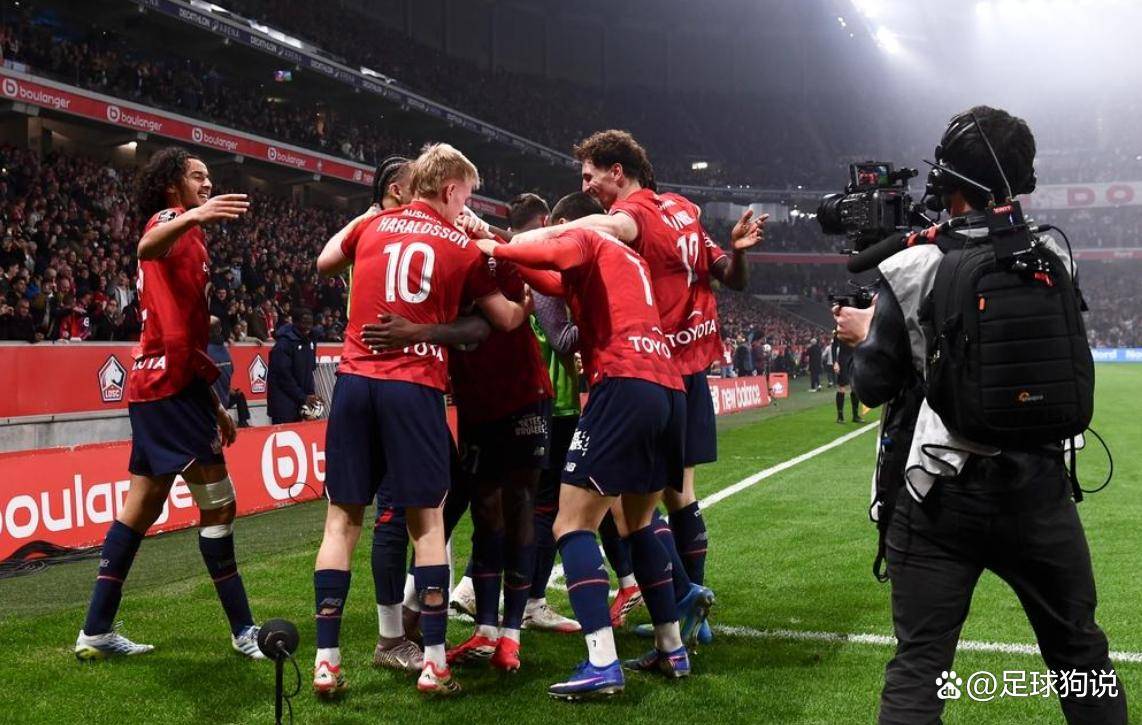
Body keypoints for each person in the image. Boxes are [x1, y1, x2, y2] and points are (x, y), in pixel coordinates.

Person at [835, 105, 1127, 725]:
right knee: (1080, 654)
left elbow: (872, 387)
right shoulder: (1053, 251)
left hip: (941, 494)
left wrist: (864, 334)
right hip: (1041, 489)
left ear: (948, 180)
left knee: (920, 666)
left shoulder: (913, 263)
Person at [513, 129, 765, 643]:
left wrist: (535, 237)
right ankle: (683, 614)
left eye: (591, 176)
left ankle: (671, 610)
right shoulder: (684, 211)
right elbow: (729, 274)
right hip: (681, 367)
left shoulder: (633, 217)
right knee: (667, 497)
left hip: (644, 367)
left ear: (617, 172)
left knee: (606, 509)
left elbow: (603, 232)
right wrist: (737, 252)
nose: (587, 186)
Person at [311, 143, 529, 697]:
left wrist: (371, 216)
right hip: (413, 386)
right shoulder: (461, 246)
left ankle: (326, 662)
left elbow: (325, 262)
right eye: (466, 196)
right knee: (427, 523)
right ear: (451, 189)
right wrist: (527, 299)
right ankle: (434, 663)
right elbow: (503, 320)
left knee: (341, 522)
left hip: (353, 383)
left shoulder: (371, 226)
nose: (466, 206)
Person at [474, 191, 695, 700]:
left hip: (622, 383)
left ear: (567, 223)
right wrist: (504, 246)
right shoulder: (628, 259)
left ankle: (601, 662)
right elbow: (551, 279)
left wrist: (495, 248)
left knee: (571, 524)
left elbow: (552, 252)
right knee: (638, 523)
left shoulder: (586, 238)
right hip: (668, 389)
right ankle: (671, 647)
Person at [73, 147, 263, 660]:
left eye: (209, 177)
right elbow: (146, 246)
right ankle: (243, 629)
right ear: (172, 186)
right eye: (197, 176)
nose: (207, 184)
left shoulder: (189, 233)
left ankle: (95, 630)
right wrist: (193, 215)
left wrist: (215, 405)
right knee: (219, 504)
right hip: (169, 387)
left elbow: (182, 331)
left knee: (142, 506)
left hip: (161, 386)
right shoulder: (170, 220)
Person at [267, 309, 319, 424]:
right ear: (295, 323)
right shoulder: (283, 344)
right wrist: (303, 397)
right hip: (283, 403)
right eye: (304, 322)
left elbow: (309, 371)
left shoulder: (310, 342)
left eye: (310, 323)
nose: (307, 327)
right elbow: (283, 377)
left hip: (300, 400)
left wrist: (310, 394)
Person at [208, 316, 250, 428]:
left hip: (209, 402)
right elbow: (229, 371)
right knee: (239, 395)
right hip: (222, 400)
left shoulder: (203, 350)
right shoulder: (224, 351)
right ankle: (243, 423)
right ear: (220, 329)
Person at [832, 333, 861, 423]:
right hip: (843, 360)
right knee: (842, 387)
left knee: (855, 387)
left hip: (855, 359)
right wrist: (835, 362)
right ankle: (840, 417)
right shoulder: (840, 329)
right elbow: (834, 346)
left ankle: (855, 416)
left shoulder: (857, 328)